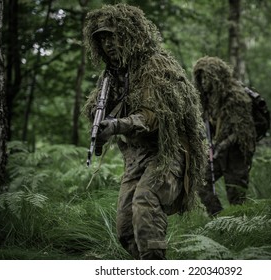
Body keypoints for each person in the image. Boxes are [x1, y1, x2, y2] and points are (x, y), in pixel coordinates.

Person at [83, 4, 206, 260]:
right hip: (136, 156)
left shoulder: (156, 66)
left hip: (168, 152)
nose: (108, 44)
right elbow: (97, 110)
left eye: (113, 36)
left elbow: (153, 117)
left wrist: (116, 126)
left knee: (145, 204)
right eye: (102, 38)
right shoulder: (112, 76)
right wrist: (99, 117)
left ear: (130, 35)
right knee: (126, 226)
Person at [192, 56, 257, 216]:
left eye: (207, 77)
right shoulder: (207, 98)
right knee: (200, 181)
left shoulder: (236, 97)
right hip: (217, 152)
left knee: (236, 197)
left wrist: (220, 146)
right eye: (201, 78)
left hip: (236, 155)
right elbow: (205, 124)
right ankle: (219, 220)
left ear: (217, 76)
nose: (204, 82)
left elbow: (243, 132)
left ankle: (241, 230)